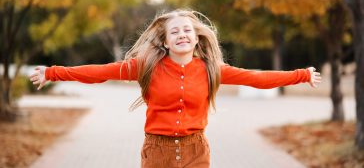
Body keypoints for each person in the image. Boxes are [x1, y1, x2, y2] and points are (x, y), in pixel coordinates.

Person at [29, 9, 321, 168]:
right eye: (174, 31)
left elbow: (256, 78)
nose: (182, 34)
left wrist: (301, 75)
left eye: (187, 30)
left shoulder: (210, 69)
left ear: (196, 39)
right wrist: (53, 72)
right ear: (166, 41)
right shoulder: (146, 65)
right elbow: (100, 73)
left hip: (197, 150)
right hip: (158, 152)